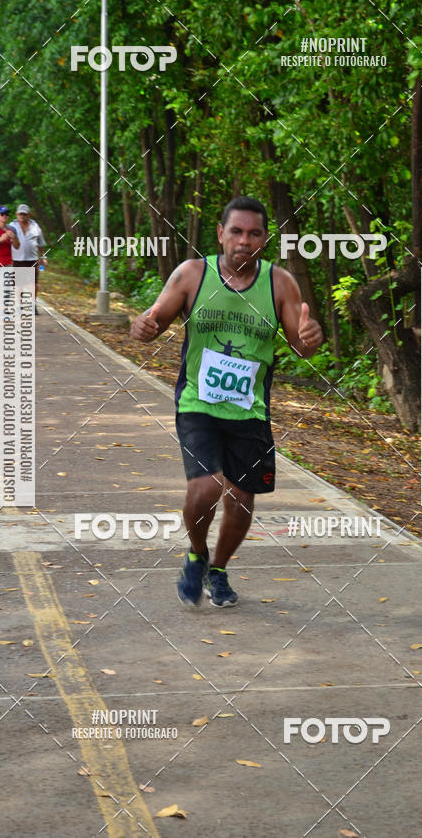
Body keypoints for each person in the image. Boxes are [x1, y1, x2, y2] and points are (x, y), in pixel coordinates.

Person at [130, 196, 323, 607]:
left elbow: (301, 345)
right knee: (205, 488)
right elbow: (152, 322)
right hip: (197, 403)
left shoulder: (280, 284)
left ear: (264, 239)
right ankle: (196, 554)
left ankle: (217, 569)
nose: (243, 241)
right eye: (236, 231)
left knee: (240, 501)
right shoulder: (192, 275)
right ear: (220, 234)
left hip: (249, 411)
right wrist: (141, 327)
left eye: (253, 234)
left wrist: (311, 339)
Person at [10, 203, 47, 313]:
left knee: (33, 283)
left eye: (24, 214)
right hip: (18, 259)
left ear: (29, 215)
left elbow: (40, 243)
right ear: (16, 214)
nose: (22, 216)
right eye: (20, 214)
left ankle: (32, 305)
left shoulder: (35, 226)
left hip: (32, 259)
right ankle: (19, 305)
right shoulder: (12, 226)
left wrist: (43, 257)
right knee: (19, 284)